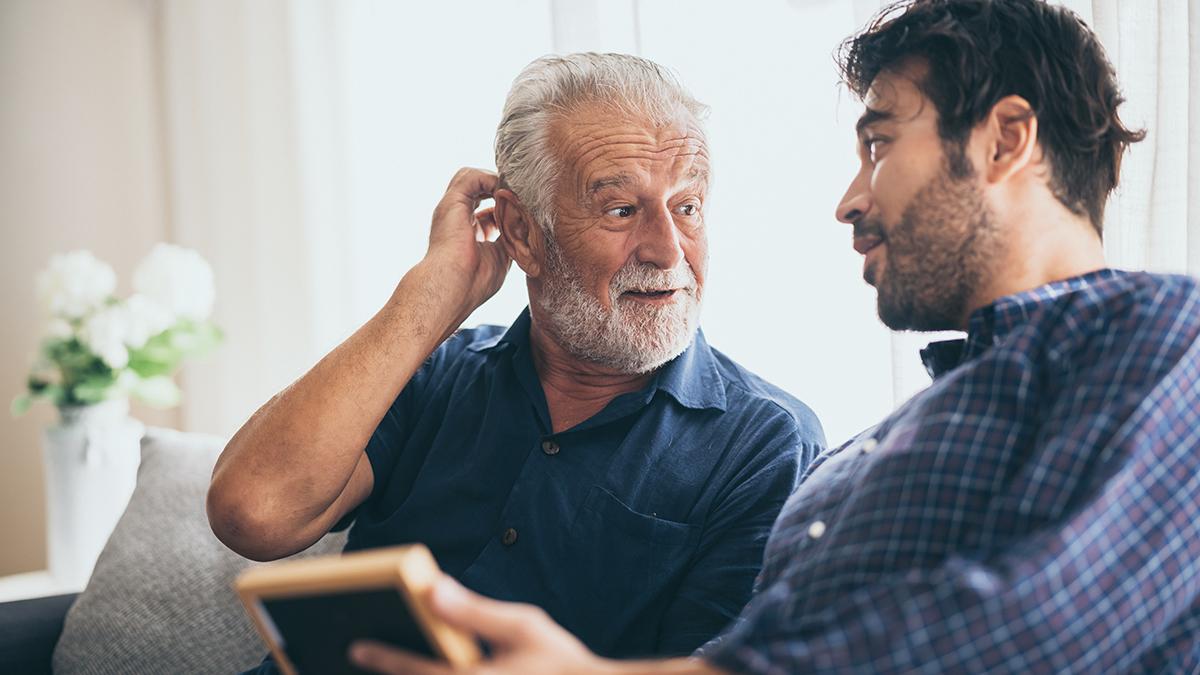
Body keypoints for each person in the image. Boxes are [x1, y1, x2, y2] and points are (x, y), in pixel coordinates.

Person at [345, 1, 1200, 673]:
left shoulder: (1171, 342)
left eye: (879, 143)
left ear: (1006, 140)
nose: (850, 200)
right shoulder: (891, 440)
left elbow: (1034, 630)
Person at [207, 52, 825, 666]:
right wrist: (429, 299)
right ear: (523, 234)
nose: (668, 250)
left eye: (687, 207)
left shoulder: (765, 443)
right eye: (621, 210)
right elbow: (251, 513)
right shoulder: (439, 373)